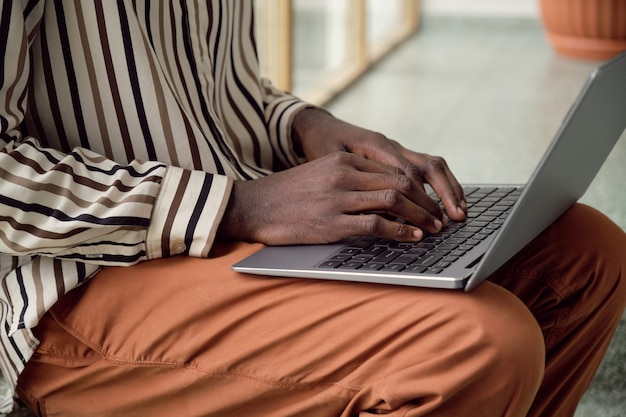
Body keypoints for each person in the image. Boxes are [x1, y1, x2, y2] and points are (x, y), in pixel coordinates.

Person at [1, 2, 624, 416]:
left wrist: (308, 126)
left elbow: (228, 89)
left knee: (587, 253)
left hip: (232, 219)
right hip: (77, 277)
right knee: (478, 345)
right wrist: (238, 204)